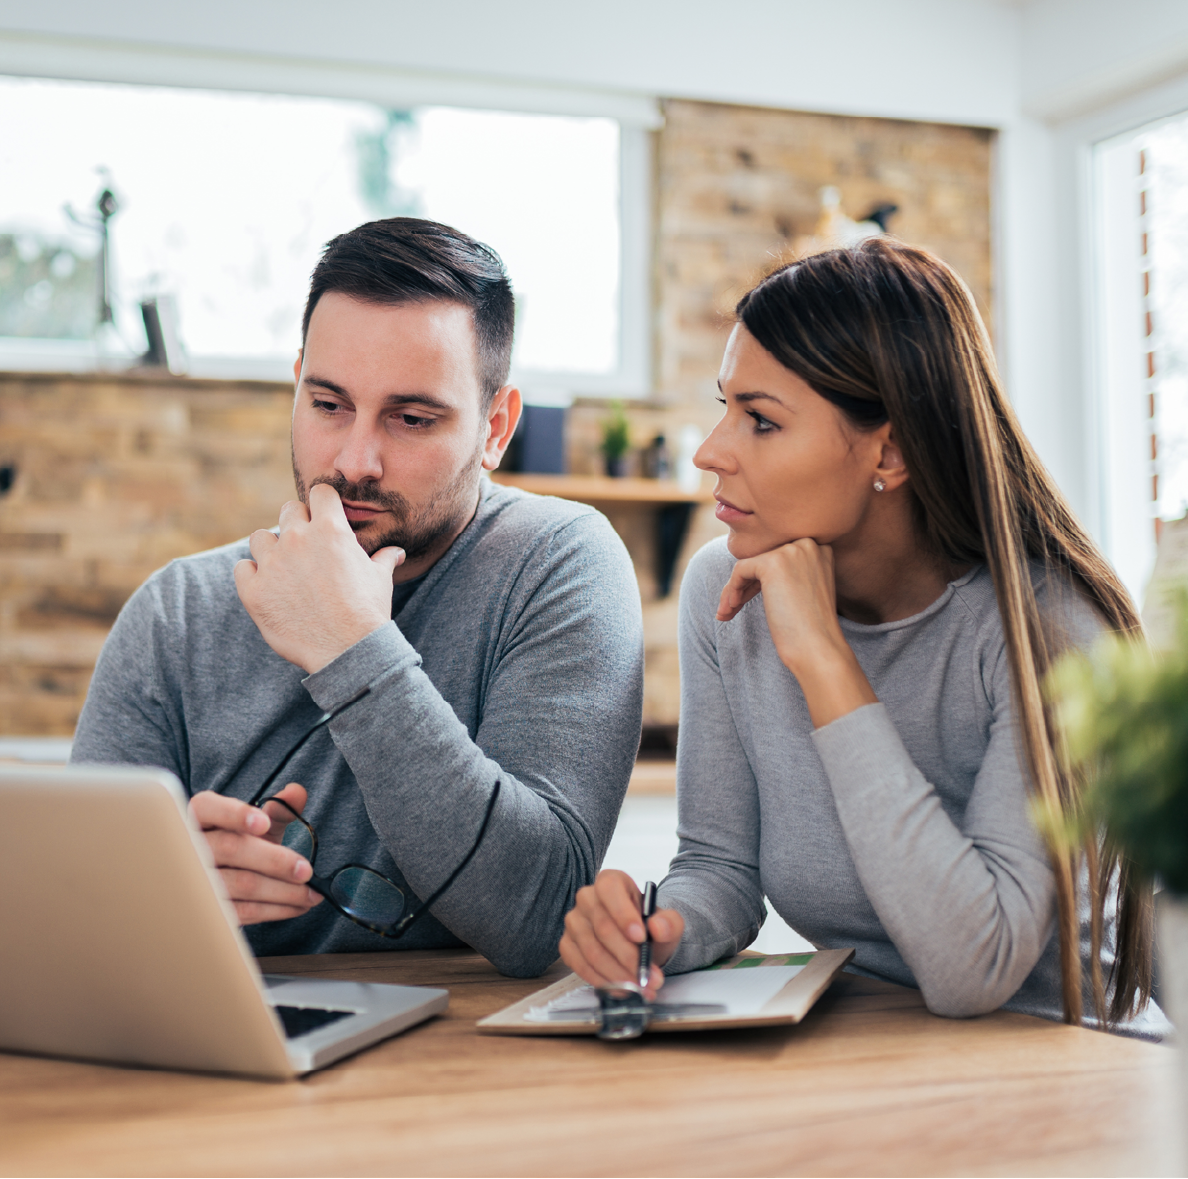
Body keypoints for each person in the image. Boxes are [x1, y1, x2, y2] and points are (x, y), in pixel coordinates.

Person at [559, 237, 1164, 1033]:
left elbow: (971, 969)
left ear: (891, 449)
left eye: (761, 421)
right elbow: (722, 869)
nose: (711, 452)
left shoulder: (1046, 629)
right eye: (725, 408)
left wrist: (823, 659)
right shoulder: (725, 589)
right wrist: (661, 929)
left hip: (1067, 1067)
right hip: (876, 1046)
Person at [73, 217, 644, 977]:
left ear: (495, 427)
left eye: (411, 418)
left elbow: (536, 916)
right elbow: (68, 921)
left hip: (471, 1063)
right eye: (328, 404)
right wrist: (150, 898)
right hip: (229, 1040)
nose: (354, 461)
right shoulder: (178, 612)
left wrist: (349, 643)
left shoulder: (557, 564)